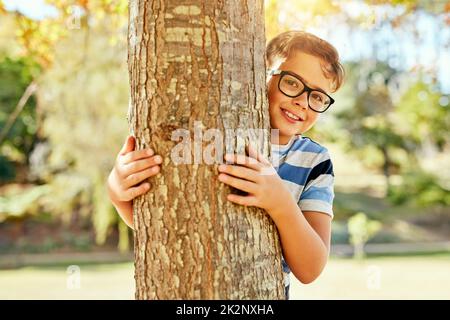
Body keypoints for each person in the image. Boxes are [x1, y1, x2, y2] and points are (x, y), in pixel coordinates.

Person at [107, 30, 344, 299]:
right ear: (258, 75)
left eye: (318, 97)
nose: (303, 101)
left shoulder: (314, 160)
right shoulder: (213, 136)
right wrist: (117, 193)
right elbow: (167, 225)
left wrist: (280, 202)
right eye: (292, 83)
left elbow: (310, 268)